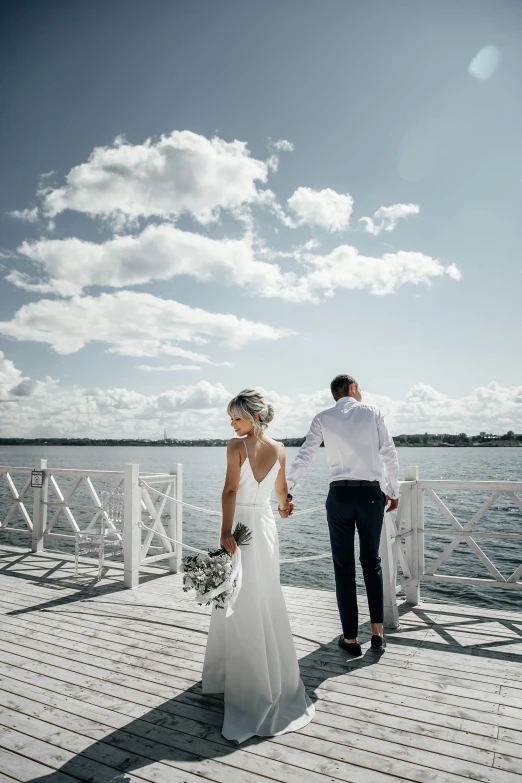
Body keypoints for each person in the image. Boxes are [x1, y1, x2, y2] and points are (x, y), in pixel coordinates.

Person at [202, 388, 315, 743]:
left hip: (242, 528)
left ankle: (242, 680)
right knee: (262, 596)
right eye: (230, 418)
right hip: (265, 528)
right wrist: (285, 507)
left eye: (236, 417)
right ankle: (255, 676)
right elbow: (282, 498)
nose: (232, 424)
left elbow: (230, 492)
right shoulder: (280, 448)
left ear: (254, 417)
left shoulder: (236, 447)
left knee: (238, 598)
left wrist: (224, 531)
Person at [287, 374, 399, 657]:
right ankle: (377, 634)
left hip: (339, 497)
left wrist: (288, 490)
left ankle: (350, 638)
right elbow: (388, 453)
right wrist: (393, 490)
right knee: (371, 561)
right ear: (352, 388)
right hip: (370, 495)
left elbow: (305, 455)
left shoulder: (323, 418)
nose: (361, 392)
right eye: (359, 388)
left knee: (343, 567)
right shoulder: (373, 412)